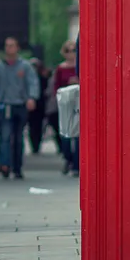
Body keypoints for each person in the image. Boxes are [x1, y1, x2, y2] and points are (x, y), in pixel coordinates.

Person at [0, 36, 39, 179]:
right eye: (7, 46)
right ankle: (5, 164)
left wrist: (31, 97)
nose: (9, 48)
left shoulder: (25, 66)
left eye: (12, 45)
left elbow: (32, 82)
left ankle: (17, 167)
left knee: (18, 137)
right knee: (5, 135)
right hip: (4, 104)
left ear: (17, 48)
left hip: (20, 104)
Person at [47, 39, 79, 173]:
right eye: (68, 50)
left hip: (78, 102)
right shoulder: (61, 68)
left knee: (78, 134)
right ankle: (68, 158)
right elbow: (56, 86)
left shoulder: (81, 66)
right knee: (66, 133)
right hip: (66, 103)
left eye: (74, 50)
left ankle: (77, 163)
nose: (71, 53)